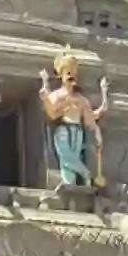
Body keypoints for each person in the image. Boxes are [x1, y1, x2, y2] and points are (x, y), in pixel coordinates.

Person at [38, 49, 108, 187]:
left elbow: (91, 118)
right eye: (68, 72)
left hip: (78, 133)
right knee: (67, 159)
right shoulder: (57, 96)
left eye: (73, 72)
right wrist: (46, 91)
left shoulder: (81, 100)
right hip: (63, 131)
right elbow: (52, 112)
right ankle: (86, 175)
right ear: (61, 75)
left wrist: (97, 133)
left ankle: (71, 187)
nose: (71, 76)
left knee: (69, 168)